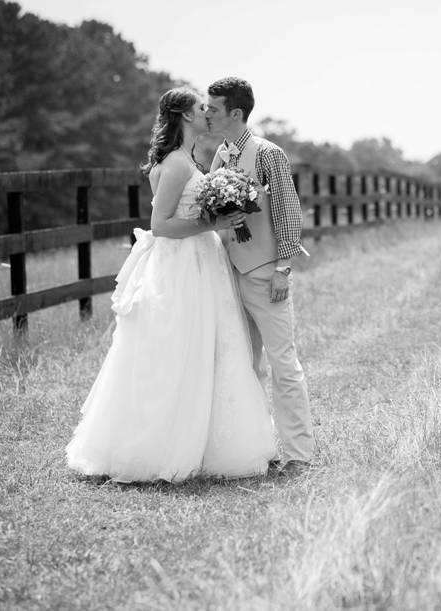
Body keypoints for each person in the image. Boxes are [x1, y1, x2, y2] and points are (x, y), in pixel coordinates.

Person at [65, 87, 276, 483]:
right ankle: (164, 446)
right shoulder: (178, 164)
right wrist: (213, 223)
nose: (207, 113)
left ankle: (204, 441)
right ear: (183, 116)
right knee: (181, 350)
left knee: (202, 349)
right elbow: (160, 226)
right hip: (182, 265)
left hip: (198, 260)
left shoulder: (188, 159)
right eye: (201, 107)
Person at [204, 77, 314, 475]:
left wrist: (284, 267)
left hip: (266, 272)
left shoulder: (269, 154)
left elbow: (287, 210)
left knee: (284, 364)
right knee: (245, 364)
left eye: (213, 109)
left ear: (235, 113)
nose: (206, 114)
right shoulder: (219, 155)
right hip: (228, 271)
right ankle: (258, 448)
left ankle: (298, 454)